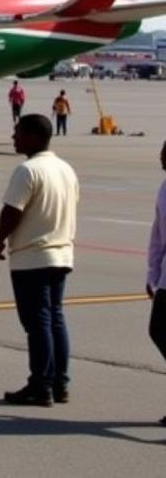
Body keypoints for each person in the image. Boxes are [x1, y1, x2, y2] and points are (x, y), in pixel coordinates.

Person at [0, 113, 78, 406]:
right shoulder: (66, 169)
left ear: (32, 136)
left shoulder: (27, 170)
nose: (14, 137)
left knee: (37, 322)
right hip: (61, 254)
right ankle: (60, 383)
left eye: (17, 132)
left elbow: (12, 211)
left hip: (32, 257)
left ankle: (40, 384)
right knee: (55, 317)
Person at [146, 140, 166, 425]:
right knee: (158, 331)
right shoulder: (164, 187)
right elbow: (158, 234)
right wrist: (152, 273)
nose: (160, 156)